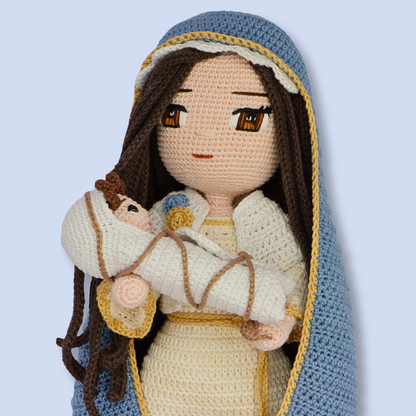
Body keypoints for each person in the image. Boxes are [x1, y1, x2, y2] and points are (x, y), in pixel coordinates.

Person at [59, 11, 357, 416]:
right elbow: (139, 267)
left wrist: (285, 320)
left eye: (247, 118)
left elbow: (294, 278)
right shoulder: (168, 212)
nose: (203, 136)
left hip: (248, 362)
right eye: (175, 114)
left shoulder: (265, 220)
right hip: (172, 364)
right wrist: (132, 295)